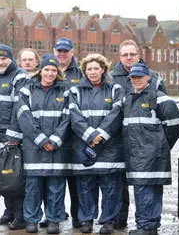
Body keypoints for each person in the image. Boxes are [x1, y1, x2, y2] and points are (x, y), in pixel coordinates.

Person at [110, 39, 167, 229]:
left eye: (132, 54)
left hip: (145, 142)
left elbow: (164, 113)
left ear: (139, 55)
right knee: (120, 182)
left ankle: (148, 223)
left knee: (146, 183)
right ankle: (120, 220)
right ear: (119, 57)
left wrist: (159, 142)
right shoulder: (111, 78)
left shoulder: (154, 77)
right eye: (125, 55)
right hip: (119, 140)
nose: (128, 58)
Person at [69, 53, 125, 234]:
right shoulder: (75, 91)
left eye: (96, 68)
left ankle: (108, 221)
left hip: (110, 148)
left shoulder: (115, 89)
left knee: (111, 186)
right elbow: (74, 116)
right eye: (89, 69)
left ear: (103, 70)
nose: (93, 72)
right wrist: (90, 135)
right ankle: (87, 220)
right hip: (84, 146)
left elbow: (116, 113)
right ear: (84, 71)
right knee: (85, 186)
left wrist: (100, 135)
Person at [122, 63, 179, 235]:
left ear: (148, 78)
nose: (136, 80)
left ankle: (147, 226)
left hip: (153, 155)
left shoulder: (160, 98)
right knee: (143, 189)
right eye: (133, 77)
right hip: (136, 155)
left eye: (140, 76)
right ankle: (148, 226)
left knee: (148, 189)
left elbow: (174, 127)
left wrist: (160, 147)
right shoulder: (128, 99)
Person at [16, 54, 71, 234]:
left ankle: (54, 219)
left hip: (57, 147)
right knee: (33, 185)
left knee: (56, 185)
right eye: (47, 69)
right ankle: (32, 219)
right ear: (41, 70)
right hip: (34, 146)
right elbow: (24, 117)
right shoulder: (27, 90)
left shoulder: (65, 91)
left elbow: (68, 118)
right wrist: (41, 139)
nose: (50, 73)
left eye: (54, 70)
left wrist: (55, 140)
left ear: (58, 73)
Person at [0, 44, 30, 230]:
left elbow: (20, 107)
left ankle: (21, 216)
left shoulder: (20, 76)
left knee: (16, 179)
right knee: (4, 178)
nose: (0, 62)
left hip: (12, 139)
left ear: (11, 59)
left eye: (4, 58)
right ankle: (9, 212)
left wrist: (13, 136)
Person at [52, 37, 83, 228]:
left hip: (75, 135)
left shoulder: (81, 74)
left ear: (72, 52)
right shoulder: (48, 71)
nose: (62, 54)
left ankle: (78, 216)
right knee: (54, 178)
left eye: (66, 51)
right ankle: (54, 214)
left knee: (76, 179)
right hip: (53, 133)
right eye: (59, 51)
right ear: (54, 52)